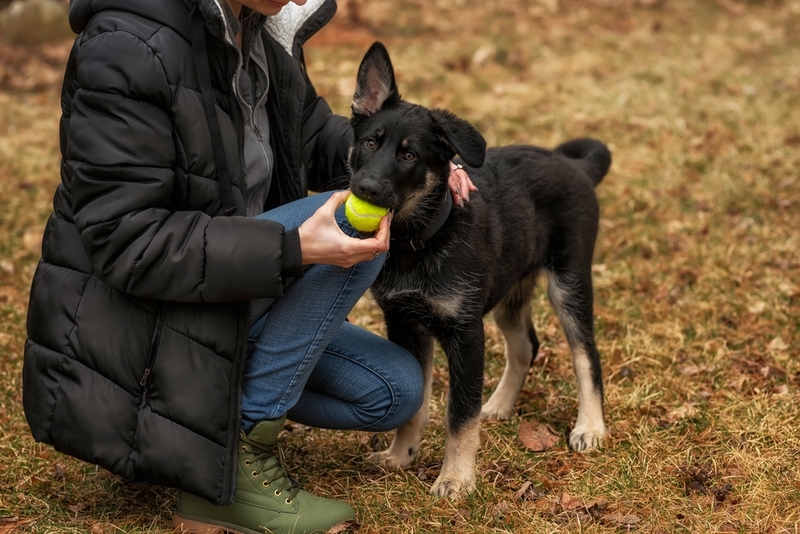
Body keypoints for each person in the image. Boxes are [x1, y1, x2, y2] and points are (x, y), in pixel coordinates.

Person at [22, 0, 476, 532]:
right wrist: (293, 251)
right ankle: (228, 471)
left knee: (394, 390)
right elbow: (128, 242)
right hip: (137, 327)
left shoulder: (258, 36)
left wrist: (420, 157)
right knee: (355, 219)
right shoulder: (127, 45)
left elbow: (315, 136)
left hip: (228, 289)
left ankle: (197, 427)